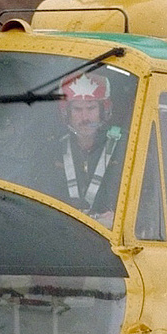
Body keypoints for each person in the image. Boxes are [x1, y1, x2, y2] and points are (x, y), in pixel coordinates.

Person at [36, 72, 125, 227]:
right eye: (77, 109)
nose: (85, 117)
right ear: (67, 113)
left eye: (91, 108)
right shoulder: (52, 150)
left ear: (103, 111)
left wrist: (119, 218)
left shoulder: (124, 147)